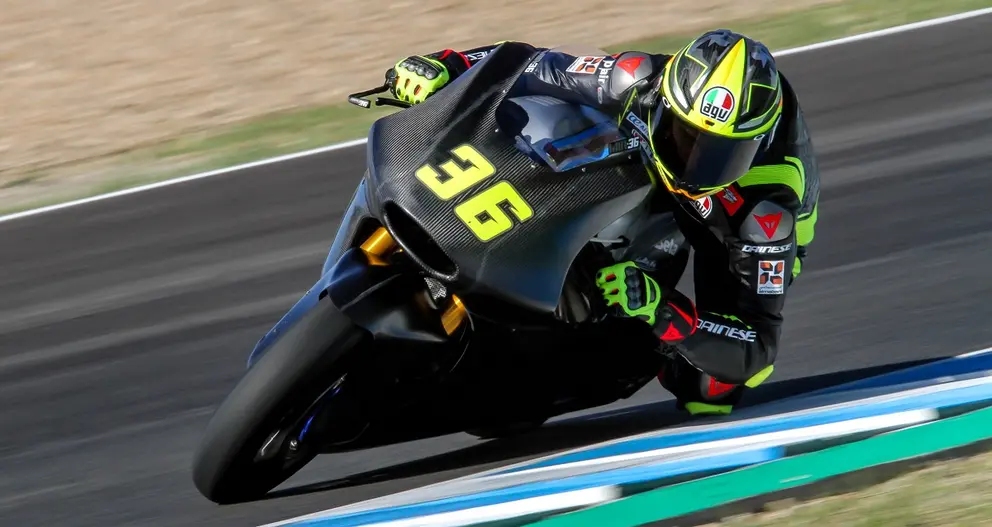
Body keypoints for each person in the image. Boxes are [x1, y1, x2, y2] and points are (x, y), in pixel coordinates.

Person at [383, 29, 820, 416]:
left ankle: (609, 335)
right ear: (665, 101)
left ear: (755, 146)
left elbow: (757, 350)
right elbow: (527, 63)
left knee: (707, 390)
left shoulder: (766, 214)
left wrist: (662, 308)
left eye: (722, 156)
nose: (695, 163)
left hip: (727, 226)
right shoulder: (636, 78)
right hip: (645, 159)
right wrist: (449, 66)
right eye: (685, 136)